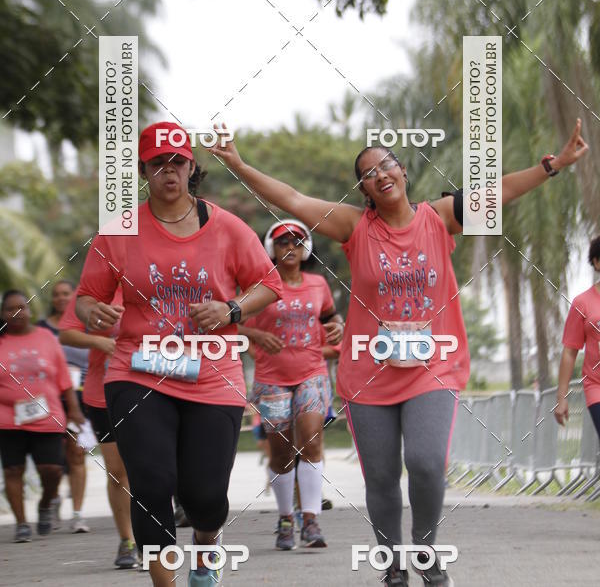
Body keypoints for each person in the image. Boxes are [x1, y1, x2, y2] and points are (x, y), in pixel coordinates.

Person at [210, 119, 588, 586]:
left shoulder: (439, 217)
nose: (380, 174)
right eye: (368, 173)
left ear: (403, 171)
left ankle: (426, 551)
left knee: (427, 464)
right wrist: (239, 164)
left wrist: (553, 164)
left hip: (433, 365)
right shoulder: (354, 226)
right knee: (382, 477)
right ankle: (392, 563)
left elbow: (499, 193)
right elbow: (292, 198)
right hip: (369, 371)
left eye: (386, 165)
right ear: (364, 189)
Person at [74, 121, 282, 587]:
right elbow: (87, 297)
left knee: (204, 496)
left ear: (191, 168)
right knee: (150, 485)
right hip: (138, 371)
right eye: (158, 164)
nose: (168, 172)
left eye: (177, 163)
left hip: (213, 376)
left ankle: (207, 549)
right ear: (143, 170)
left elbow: (268, 284)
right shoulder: (120, 231)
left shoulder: (227, 227)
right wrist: (93, 313)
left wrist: (231, 309)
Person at [239, 219, 343, 551]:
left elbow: (330, 317)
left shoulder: (318, 284)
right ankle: (286, 518)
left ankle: (310, 520)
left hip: (312, 372)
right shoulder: (260, 287)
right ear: (271, 249)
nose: (290, 248)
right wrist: (256, 335)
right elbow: (229, 322)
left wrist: (338, 326)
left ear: (306, 248)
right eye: (283, 242)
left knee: (311, 440)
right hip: (272, 379)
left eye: (297, 242)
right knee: (281, 452)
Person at [59, 287, 139, 568]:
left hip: (152, 390)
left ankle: (154, 538)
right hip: (103, 394)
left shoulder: (155, 279)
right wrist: (100, 342)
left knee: (151, 469)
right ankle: (127, 540)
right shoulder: (95, 290)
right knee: (118, 472)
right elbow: (66, 333)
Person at [0, 289, 85, 542]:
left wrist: (74, 410)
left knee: (53, 470)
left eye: (21, 307)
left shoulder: (46, 337)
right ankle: (22, 523)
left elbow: (64, 379)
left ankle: (46, 503)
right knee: (13, 470)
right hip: (8, 418)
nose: (16, 313)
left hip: (47, 416)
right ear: (2, 314)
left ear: (29, 310)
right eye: (10, 309)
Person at [38, 279, 90, 533]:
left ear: (74, 297)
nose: (61, 298)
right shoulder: (42, 329)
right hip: (50, 398)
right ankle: (53, 497)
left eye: (66, 293)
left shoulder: (88, 326)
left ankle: (77, 514)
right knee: (52, 457)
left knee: (77, 452)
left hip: (80, 396)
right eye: (56, 294)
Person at [555, 235, 600, 440]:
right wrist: (561, 397)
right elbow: (569, 352)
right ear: (596, 262)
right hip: (596, 386)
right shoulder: (582, 303)